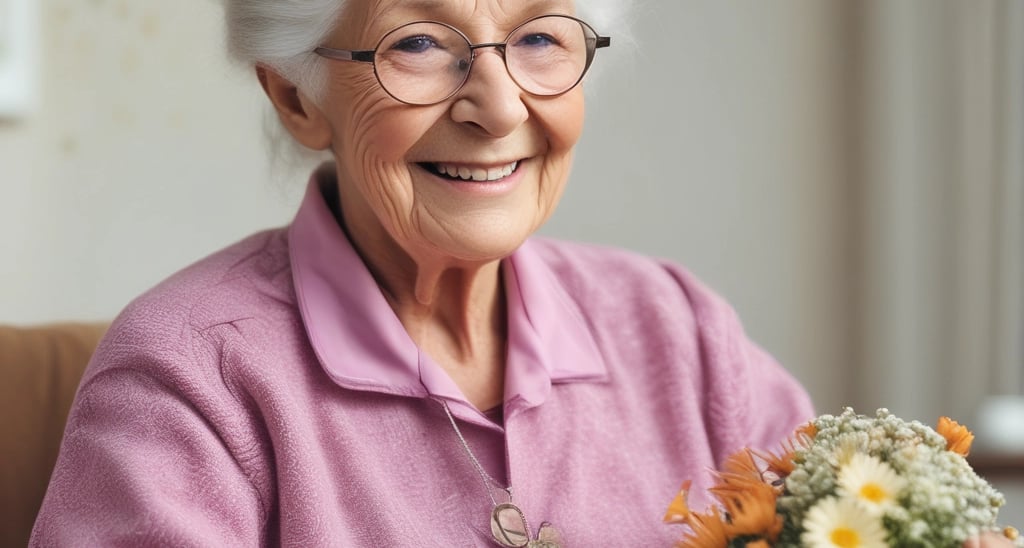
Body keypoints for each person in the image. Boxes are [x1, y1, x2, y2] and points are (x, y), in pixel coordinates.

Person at [28, 0, 1011, 546]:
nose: (498, 108)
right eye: (421, 44)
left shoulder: (674, 328)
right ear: (296, 94)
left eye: (540, 36)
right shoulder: (188, 376)